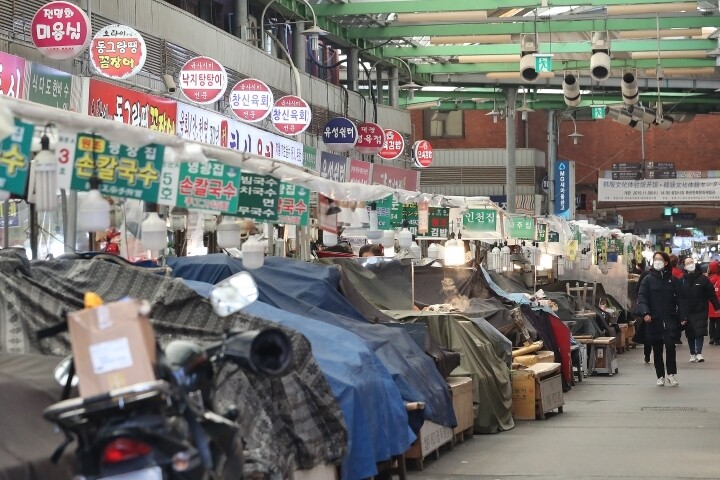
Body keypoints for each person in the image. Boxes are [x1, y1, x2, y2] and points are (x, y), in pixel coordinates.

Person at [636, 251, 688, 386]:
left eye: (660, 259)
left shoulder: (673, 280)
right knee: (657, 349)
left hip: (670, 319)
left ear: (666, 262)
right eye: (655, 259)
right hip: (654, 319)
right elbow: (642, 297)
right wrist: (645, 313)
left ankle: (671, 374)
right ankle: (660, 375)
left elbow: (681, 300)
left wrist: (683, 316)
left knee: (671, 346)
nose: (657, 261)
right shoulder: (648, 279)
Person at [680, 257, 720, 363]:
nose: (690, 264)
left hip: (701, 309)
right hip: (687, 311)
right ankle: (692, 353)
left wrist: (717, 306)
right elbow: (679, 297)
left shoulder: (703, 279)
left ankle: (699, 353)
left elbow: (711, 294)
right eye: (688, 263)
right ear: (684, 266)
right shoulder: (682, 280)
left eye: (691, 262)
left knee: (700, 332)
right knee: (690, 333)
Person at [708, 261, 720, 345]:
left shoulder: (710, 278)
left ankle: (711, 337)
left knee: (711, 321)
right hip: (718, 303)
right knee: (718, 322)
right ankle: (717, 339)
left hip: (710, 303)